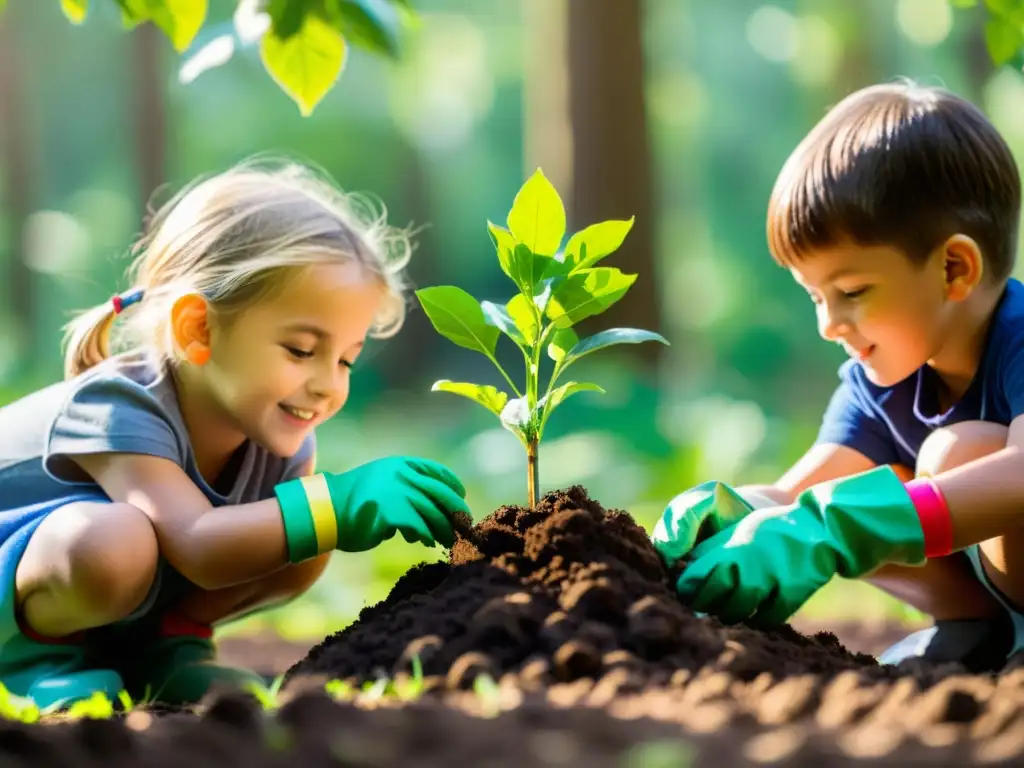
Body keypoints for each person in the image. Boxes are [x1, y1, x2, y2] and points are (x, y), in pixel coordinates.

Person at [0, 158, 470, 709]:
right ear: (198, 329)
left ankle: (162, 650)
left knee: (297, 541)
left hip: (103, 594)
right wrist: (338, 503)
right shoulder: (119, 405)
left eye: (346, 359)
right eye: (301, 350)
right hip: (31, 575)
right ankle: (33, 657)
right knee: (113, 543)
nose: (326, 385)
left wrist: (325, 513)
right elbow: (198, 543)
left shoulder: (277, 430)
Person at [652, 80, 1024, 673]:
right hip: (998, 600)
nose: (829, 324)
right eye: (814, 297)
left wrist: (840, 524)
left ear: (955, 268)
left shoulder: (1019, 335)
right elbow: (799, 496)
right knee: (850, 496)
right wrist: (737, 510)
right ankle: (977, 631)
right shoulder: (878, 378)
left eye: (851, 291)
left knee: (957, 455)